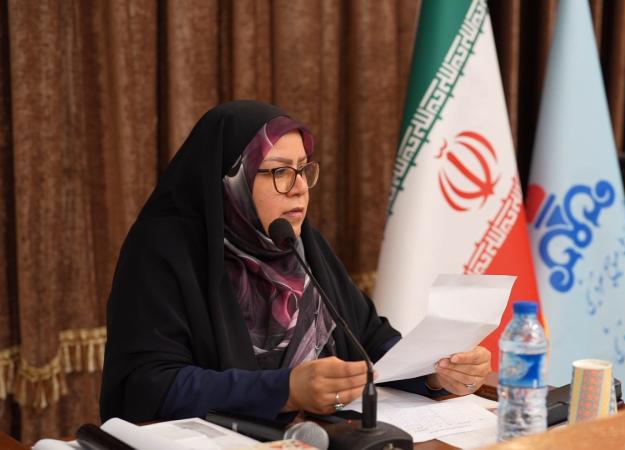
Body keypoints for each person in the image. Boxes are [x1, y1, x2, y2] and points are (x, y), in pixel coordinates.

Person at [99, 101, 491, 423]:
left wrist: (435, 372)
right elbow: (148, 385)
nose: (300, 187)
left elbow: (370, 341)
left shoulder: (299, 245)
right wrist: (284, 391)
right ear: (230, 179)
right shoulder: (164, 251)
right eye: (280, 172)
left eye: (303, 169)